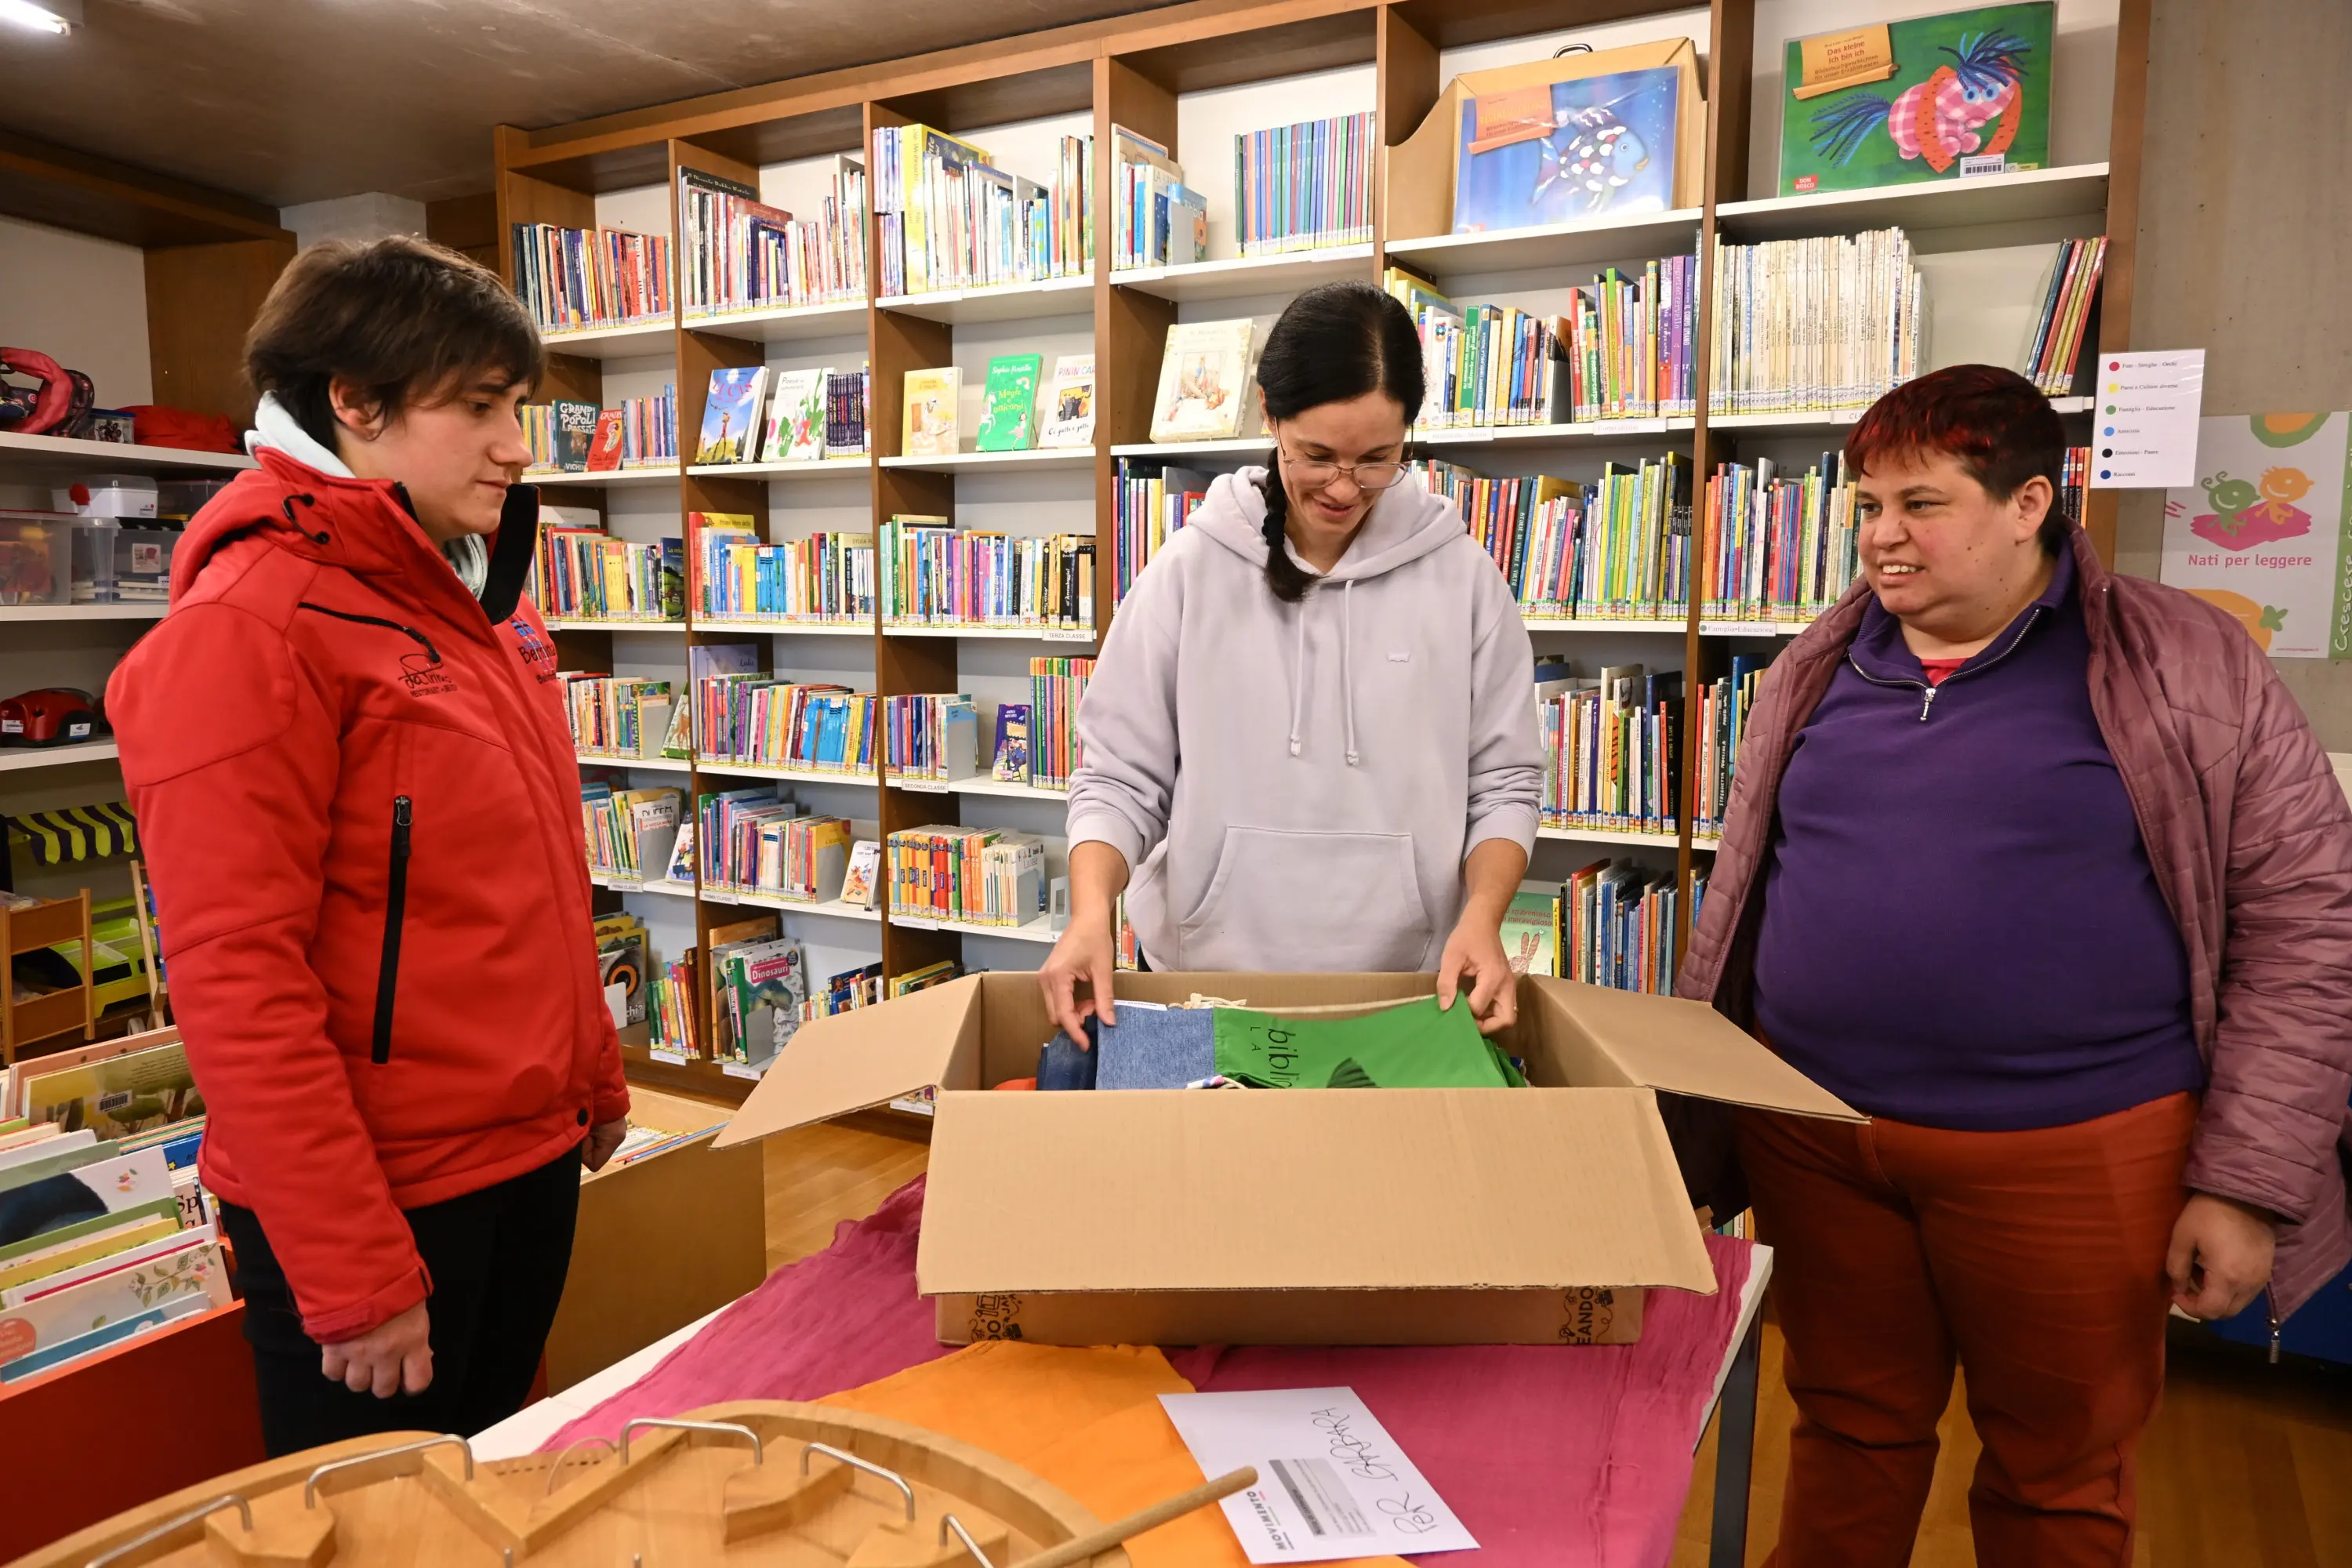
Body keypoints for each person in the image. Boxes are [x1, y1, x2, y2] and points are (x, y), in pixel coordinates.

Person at [1676, 363, 2352, 1566]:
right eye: (1867, 505)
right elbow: (1739, 902)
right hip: (1818, 1141)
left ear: (2034, 501)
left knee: (2059, 1475)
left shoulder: (2186, 665)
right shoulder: (1811, 670)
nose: (1881, 538)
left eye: (1921, 505)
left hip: (2077, 1150)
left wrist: (2248, 1184)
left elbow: (2308, 925)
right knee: (1844, 1428)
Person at [110, 237, 631, 1455]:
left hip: (519, 1164)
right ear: (353, 400)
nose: (517, 444)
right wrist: (352, 1266)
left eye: (519, 407)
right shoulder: (253, 628)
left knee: (493, 1490)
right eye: (480, 408)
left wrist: (590, 1077)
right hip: (383, 1205)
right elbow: (239, 981)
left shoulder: (469, 603)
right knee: (376, 1529)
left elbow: (532, 877)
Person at [1040, 281, 1543, 1041]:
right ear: (1270, 415)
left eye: (1378, 458)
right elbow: (1119, 775)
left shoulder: (1465, 580)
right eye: (1318, 455)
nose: (1345, 487)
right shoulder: (1189, 570)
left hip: (1409, 991)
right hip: (1206, 987)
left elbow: (1505, 780)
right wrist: (1088, 915)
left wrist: (1482, 917)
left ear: (1410, 434)